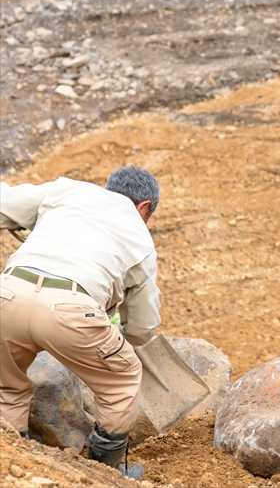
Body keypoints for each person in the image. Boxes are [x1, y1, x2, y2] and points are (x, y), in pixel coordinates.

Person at [0, 165, 162, 479]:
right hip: (72, 309)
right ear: (144, 208)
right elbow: (142, 328)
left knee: (6, 386)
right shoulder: (141, 239)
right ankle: (105, 473)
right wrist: (113, 333)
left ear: (107, 188)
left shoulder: (65, 191)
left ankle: (14, 465)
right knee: (124, 378)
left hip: (6, 295)